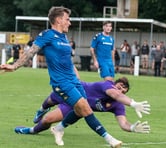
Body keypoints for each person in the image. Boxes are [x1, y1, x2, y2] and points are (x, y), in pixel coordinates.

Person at [0, 6, 123, 148]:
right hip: (61, 83)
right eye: (67, 19)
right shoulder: (47, 35)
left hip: (73, 81)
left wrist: (77, 78)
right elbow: (31, 52)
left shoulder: (64, 37)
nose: (69, 23)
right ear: (58, 20)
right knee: (85, 109)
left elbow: (69, 62)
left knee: (79, 110)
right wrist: (14, 66)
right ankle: (110, 139)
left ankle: (58, 128)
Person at [14, 77, 151, 146]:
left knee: (48, 120)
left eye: (123, 90)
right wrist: (133, 103)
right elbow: (116, 94)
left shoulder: (118, 105)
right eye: (119, 86)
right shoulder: (107, 86)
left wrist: (132, 128)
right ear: (114, 84)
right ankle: (41, 110)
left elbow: (123, 124)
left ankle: (30, 130)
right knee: (49, 101)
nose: (120, 90)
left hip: (77, 105)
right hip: (73, 91)